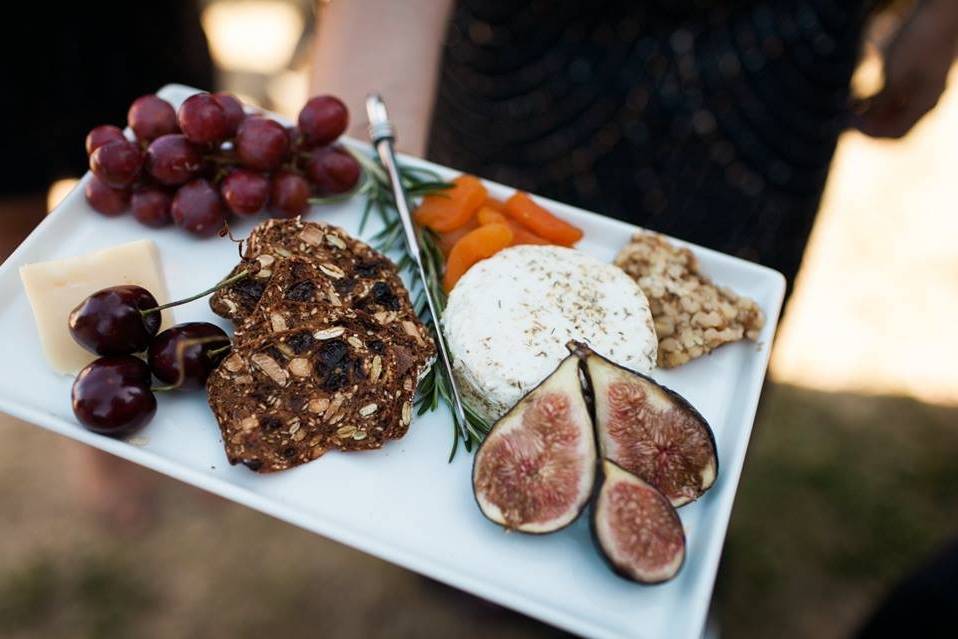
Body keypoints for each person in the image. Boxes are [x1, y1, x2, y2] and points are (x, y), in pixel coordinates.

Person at [309, 0, 958, 292]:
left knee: (715, 324)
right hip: (527, 48)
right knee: (466, 291)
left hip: (782, 43)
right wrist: (352, 193)